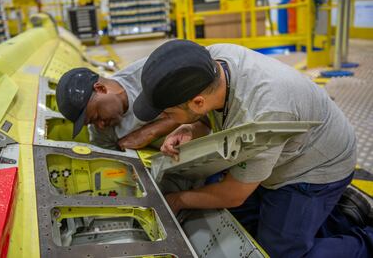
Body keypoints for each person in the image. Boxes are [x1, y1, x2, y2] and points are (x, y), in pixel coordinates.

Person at [133, 39, 373, 257]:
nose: (164, 118)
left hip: (316, 166)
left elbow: (234, 194)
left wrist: (177, 201)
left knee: (279, 253)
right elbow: (212, 114)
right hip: (280, 149)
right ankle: (328, 218)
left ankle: (365, 240)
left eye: (168, 113)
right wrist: (191, 128)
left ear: (197, 102)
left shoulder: (264, 114)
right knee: (243, 220)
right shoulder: (212, 61)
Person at [55, 60, 179, 150]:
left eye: (97, 117)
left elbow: (196, 108)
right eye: (92, 123)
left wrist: (148, 133)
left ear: (101, 89)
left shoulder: (152, 73)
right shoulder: (99, 133)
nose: (101, 126)